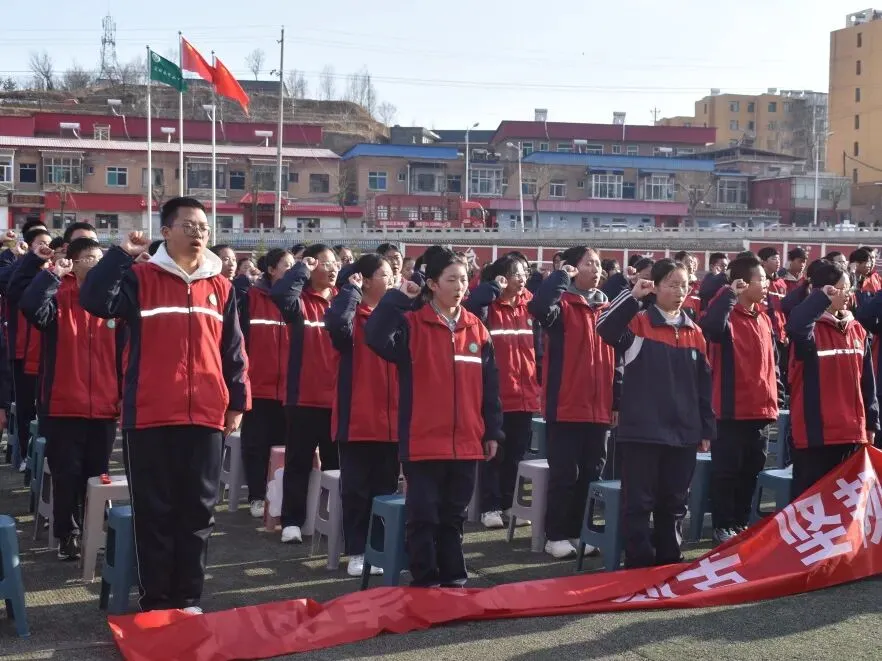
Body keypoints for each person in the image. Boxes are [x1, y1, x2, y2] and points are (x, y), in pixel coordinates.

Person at [80, 197, 251, 613]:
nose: (198, 234)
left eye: (203, 227)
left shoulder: (221, 287)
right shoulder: (140, 278)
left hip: (206, 415)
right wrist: (121, 254)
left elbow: (233, 349)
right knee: (155, 512)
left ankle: (188, 598)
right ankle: (156, 601)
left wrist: (237, 401)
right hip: (150, 415)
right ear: (166, 231)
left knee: (199, 511)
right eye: (188, 226)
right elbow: (95, 300)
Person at [365, 248, 503, 588]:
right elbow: (375, 337)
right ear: (432, 284)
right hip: (423, 441)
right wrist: (399, 298)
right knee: (423, 516)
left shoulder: (477, 329)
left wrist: (492, 431)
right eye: (451, 280)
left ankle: (454, 578)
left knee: (453, 516)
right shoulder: (412, 325)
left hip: (467, 441)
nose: (459, 287)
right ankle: (425, 581)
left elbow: (490, 387)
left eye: (463, 279)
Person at [597, 259, 715, 569]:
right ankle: (638, 562)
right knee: (638, 503)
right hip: (643, 431)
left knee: (674, 502)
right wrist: (632, 295)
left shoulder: (694, 332)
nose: (679, 292)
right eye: (672, 285)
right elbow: (605, 328)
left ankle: (669, 561)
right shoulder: (638, 324)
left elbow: (704, 386)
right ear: (656, 286)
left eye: (684, 286)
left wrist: (706, 429)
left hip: (683, 433)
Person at [18, 237, 118, 561]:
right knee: (67, 473)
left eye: (100, 257)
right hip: (63, 404)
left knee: (97, 473)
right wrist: (51, 274)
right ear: (73, 262)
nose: (96, 262)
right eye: (89, 257)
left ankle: (94, 530)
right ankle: (67, 534)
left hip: (104, 405)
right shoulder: (59, 296)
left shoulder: (112, 301)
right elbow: (30, 306)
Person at [529, 246, 616, 559]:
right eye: (588, 263)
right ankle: (555, 535)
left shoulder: (606, 307)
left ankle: (581, 532)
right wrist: (560, 276)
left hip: (600, 407)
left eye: (598, 263)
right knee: (565, 475)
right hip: (566, 404)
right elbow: (539, 307)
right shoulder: (561, 306)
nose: (596, 269)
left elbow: (618, 359)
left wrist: (616, 401)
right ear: (574, 268)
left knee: (592, 474)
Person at [324, 253, 398, 577]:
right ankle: (356, 550)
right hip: (357, 419)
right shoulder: (351, 317)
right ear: (365, 281)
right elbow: (337, 325)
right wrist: (350, 291)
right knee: (356, 490)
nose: (392, 279)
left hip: (392, 420)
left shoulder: (395, 316)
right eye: (385, 274)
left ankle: (379, 548)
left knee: (385, 489)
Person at [699, 256, 778, 544]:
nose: (767, 284)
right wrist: (729, 293)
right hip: (730, 412)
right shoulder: (726, 316)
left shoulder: (764, 318)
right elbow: (710, 327)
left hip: (761, 410)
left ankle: (741, 523)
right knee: (726, 472)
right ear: (743, 283)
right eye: (761, 279)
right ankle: (722, 525)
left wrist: (777, 394)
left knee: (751, 471)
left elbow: (773, 361)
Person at [786, 260, 879, 496]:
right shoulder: (810, 331)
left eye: (849, 288)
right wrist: (820, 297)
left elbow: (867, 382)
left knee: (843, 502)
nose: (848, 294)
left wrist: (871, 422)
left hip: (851, 432)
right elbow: (796, 324)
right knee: (811, 501)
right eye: (841, 288)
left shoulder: (856, 329)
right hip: (816, 436)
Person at [270, 243, 340, 544]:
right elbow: (280, 293)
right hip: (303, 397)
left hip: (338, 400)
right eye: (325, 263)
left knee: (336, 466)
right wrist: (301, 268)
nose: (332, 268)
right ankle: (292, 522)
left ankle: (334, 521)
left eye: (335, 263)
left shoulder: (344, 300)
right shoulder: (299, 302)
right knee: (298, 463)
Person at [465, 254, 540, 530]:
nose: (521, 279)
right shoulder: (489, 307)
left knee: (516, 455)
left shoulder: (530, 305)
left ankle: (510, 503)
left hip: (525, 393)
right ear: (502, 278)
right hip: (497, 393)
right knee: (493, 454)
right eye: (515, 274)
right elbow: (471, 307)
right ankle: (490, 506)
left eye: (524, 273)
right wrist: (492, 287)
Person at [235, 248, 295, 518]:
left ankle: (279, 500)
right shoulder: (251, 298)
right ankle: (257, 496)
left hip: (289, 389)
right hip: (258, 386)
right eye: (286, 266)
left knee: (284, 447)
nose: (293, 271)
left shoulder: (296, 300)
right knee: (256, 445)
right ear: (271, 270)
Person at [5, 227, 53, 471]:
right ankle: (25, 455)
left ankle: (41, 458)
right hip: (23, 351)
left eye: (49, 243)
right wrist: (25, 259)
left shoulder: (56, 272)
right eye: (40, 243)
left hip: (48, 353)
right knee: (25, 407)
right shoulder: (20, 271)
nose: (46, 247)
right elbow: (9, 286)